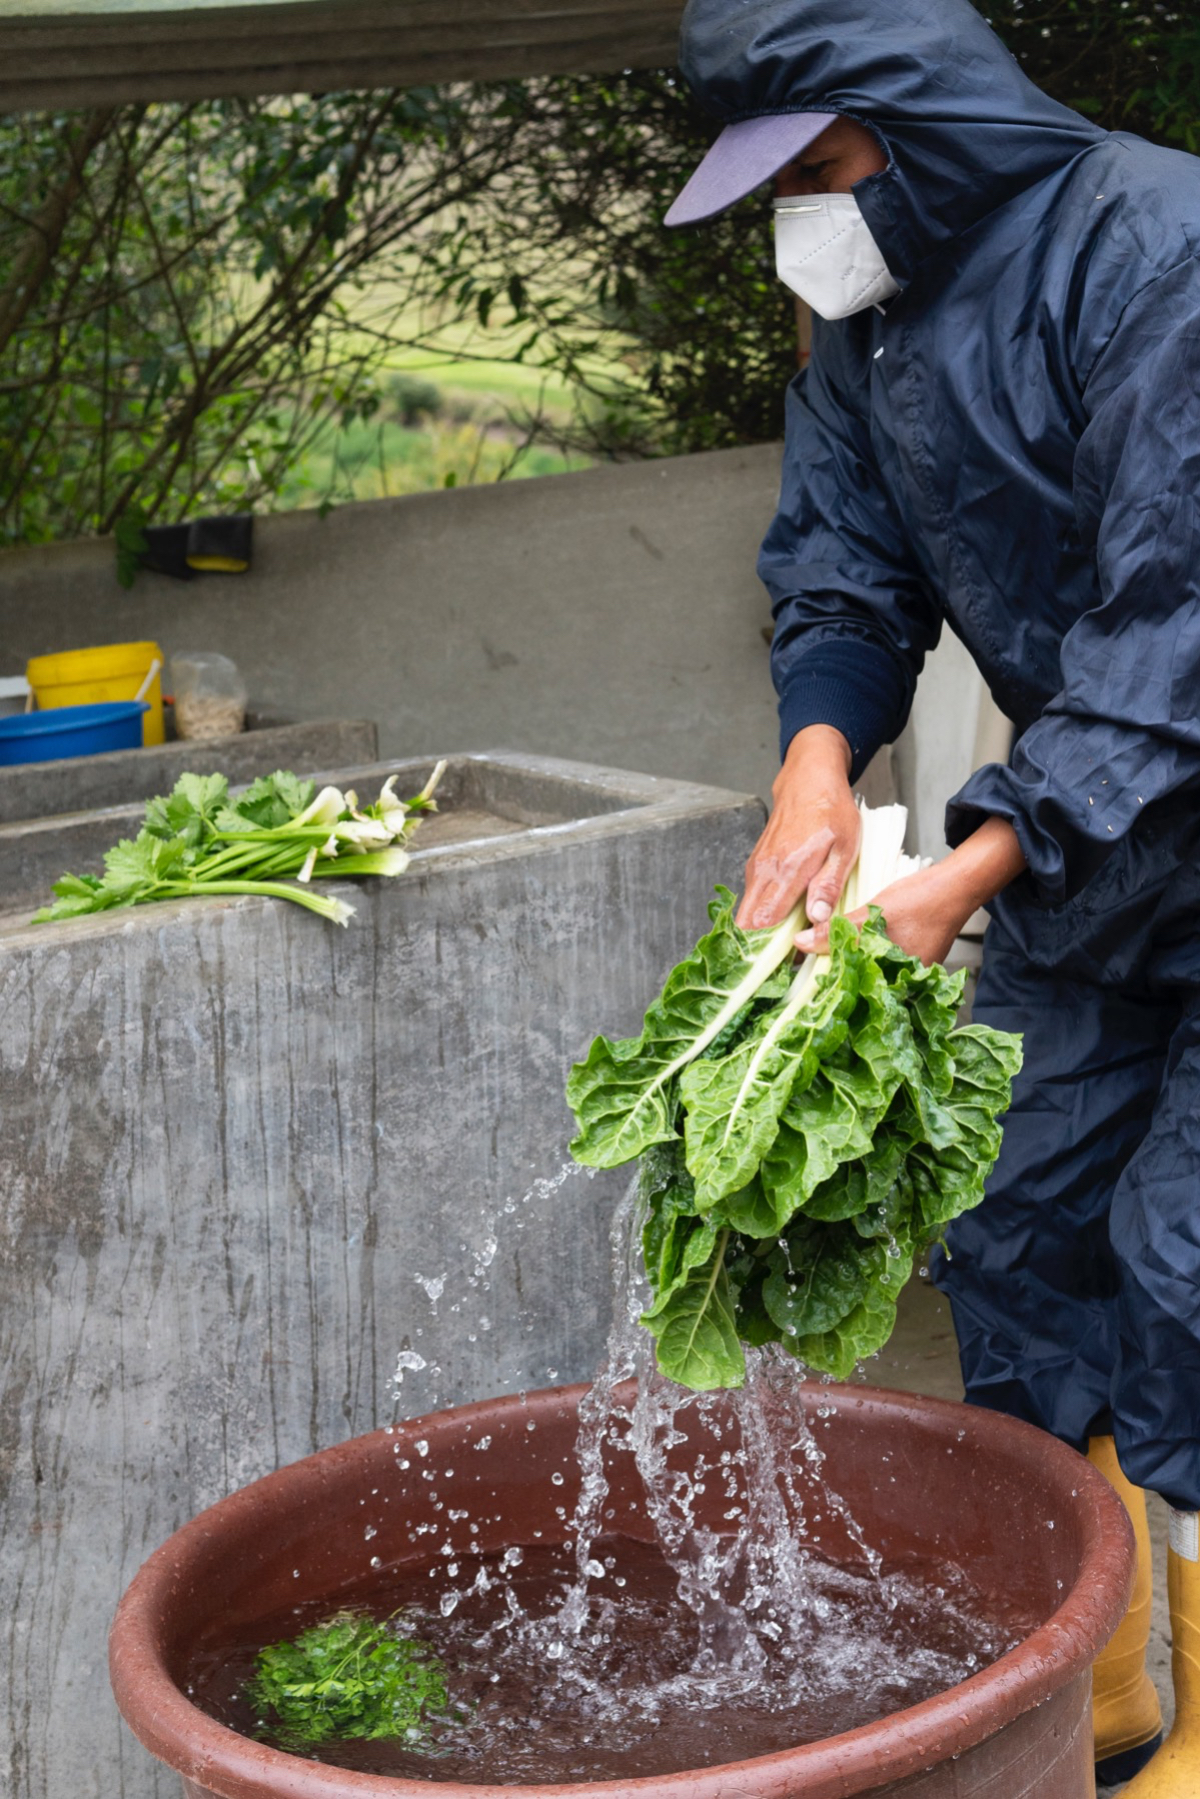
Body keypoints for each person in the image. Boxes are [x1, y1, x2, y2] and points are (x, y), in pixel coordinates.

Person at [663, 0, 1200, 1791]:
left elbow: (1170, 633)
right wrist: (821, 763)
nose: (801, 216)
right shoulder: (865, 310)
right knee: (1021, 1228)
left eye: (818, 169)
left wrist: (960, 874)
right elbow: (842, 559)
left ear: (921, 121)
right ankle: (1107, 1719)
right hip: (1093, 855)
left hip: (1128, 794)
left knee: (1187, 1270)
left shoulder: (1155, 249)